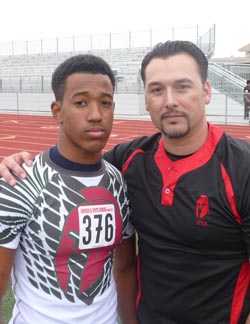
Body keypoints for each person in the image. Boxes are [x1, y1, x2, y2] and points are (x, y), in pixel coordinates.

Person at [1, 40, 250, 324]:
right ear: (146, 99)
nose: (170, 100)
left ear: (206, 91)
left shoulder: (242, 169)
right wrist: (18, 163)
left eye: (182, 86)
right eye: (157, 89)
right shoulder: (128, 161)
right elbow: (75, 165)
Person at [0, 54, 138, 324]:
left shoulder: (118, 182)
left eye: (106, 103)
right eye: (81, 102)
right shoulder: (19, 182)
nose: (96, 115)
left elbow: (124, 267)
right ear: (58, 111)